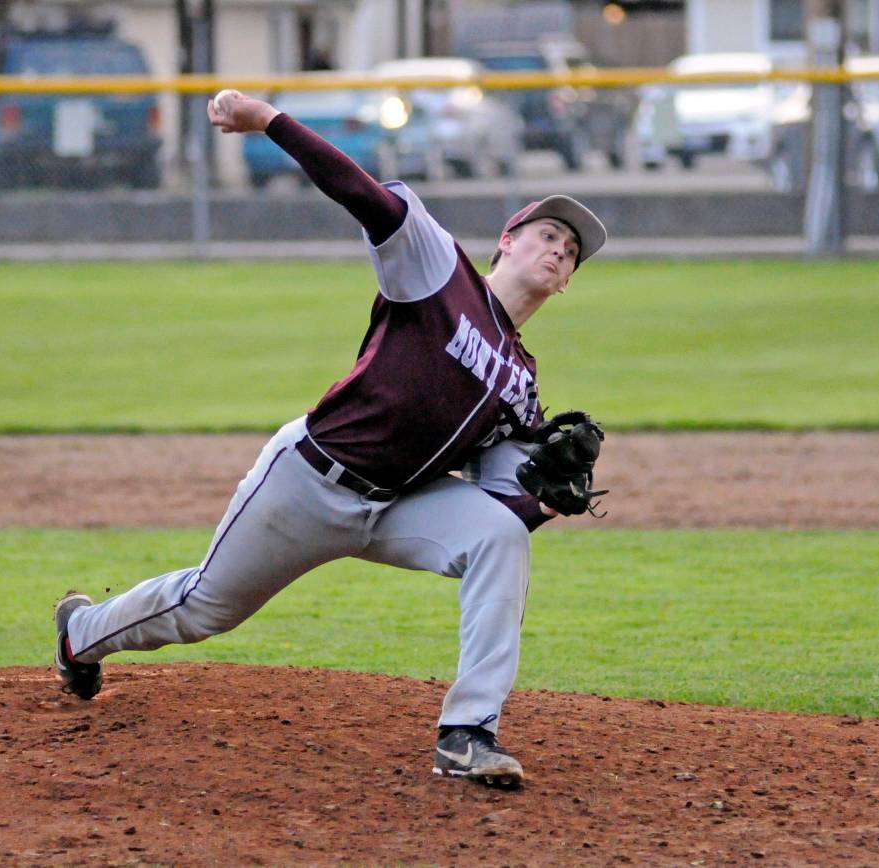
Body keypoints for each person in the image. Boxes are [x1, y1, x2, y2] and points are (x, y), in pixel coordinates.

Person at [53, 90, 607, 788]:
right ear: (508, 239)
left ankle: (468, 733)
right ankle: (81, 634)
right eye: (548, 235)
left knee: (499, 539)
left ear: (567, 283)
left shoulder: (523, 384)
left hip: (399, 505)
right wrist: (269, 122)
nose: (559, 250)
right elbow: (365, 195)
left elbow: (505, 502)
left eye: (571, 252)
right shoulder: (440, 270)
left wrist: (545, 501)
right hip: (311, 481)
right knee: (205, 608)